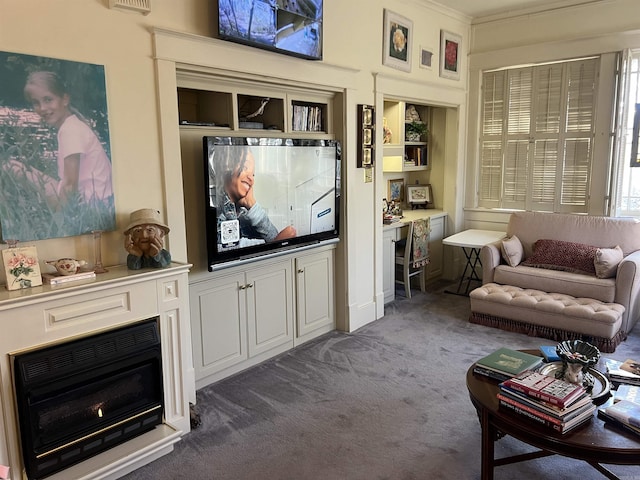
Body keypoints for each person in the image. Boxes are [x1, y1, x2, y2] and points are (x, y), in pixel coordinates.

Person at [20, 70, 113, 210]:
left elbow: (70, 184)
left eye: (48, 99)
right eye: (36, 102)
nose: (42, 108)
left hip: (89, 205)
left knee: (12, 168)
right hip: (98, 200)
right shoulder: (72, 124)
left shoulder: (70, 130)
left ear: (65, 99)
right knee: (19, 167)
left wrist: (63, 222)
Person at [212, 144, 296, 249]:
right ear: (226, 166)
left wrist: (252, 205)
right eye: (245, 168)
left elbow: (273, 237)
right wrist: (273, 245)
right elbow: (227, 248)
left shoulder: (244, 212)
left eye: (253, 174)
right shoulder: (215, 208)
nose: (251, 179)